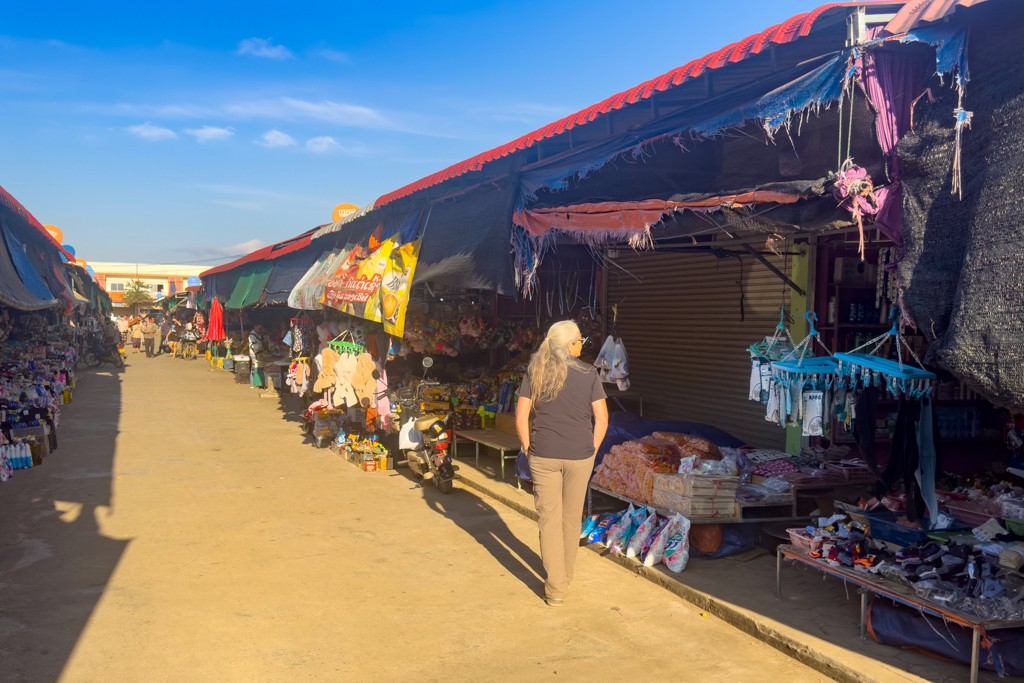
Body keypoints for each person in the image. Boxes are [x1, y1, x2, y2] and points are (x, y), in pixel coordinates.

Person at [515, 320, 608, 607]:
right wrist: (592, 451)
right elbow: (602, 419)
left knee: (549, 520)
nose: (583, 345)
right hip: (580, 455)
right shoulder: (589, 373)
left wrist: (528, 448)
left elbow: (521, 416)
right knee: (570, 518)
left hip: (544, 454)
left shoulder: (536, 370)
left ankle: (555, 589)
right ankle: (565, 575)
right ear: (569, 345)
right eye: (580, 341)